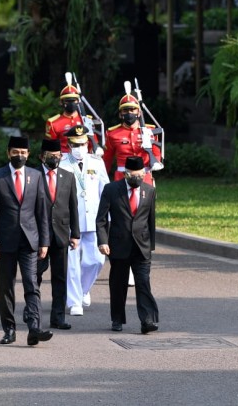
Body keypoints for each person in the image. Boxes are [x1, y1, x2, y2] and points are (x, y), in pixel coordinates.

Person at [0, 136, 53, 346]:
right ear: (8, 153)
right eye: (16, 152)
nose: (20, 156)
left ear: (29, 154)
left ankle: (34, 327)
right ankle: (9, 329)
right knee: (6, 287)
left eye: (23, 153)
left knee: (32, 284)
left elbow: (42, 210)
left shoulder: (36, 176)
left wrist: (44, 241)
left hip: (30, 241)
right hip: (4, 241)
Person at [96, 156, 159, 334]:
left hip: (141, 246)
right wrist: (102, 241)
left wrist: (150, 246)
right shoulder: (111, 189)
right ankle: (117, 319)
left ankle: (147, 320)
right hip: (118, 245)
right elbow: (101, 219)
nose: (137, 178)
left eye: (141, 175)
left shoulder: (149, 190)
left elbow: (150, 220)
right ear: (126, 174)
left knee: (143, 283)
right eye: (134, 175)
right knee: (118, 285)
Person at [60, 125, 109, 317]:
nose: (78, 148)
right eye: (74, 144)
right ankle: (74, 302)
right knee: (72, 263)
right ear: (68, 145)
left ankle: (83, 289)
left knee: (96, 260)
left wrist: (107, 218)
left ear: (87, 143)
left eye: (82, 144)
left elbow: (105, 191)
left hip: (93, 219)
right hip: (71, 221)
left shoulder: (96, 163)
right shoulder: (62, 163)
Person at [32, 138, 80, 330]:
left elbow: (73, 206)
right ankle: (32, 312)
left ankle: (58, 316)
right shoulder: (33, 175)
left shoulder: (68, 176)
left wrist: (75, 234)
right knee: (35, 275)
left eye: (58, 156)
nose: (55, 159)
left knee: (60, 277)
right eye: (51, 156)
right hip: (38, 236)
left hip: (61, 234)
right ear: (41, 157)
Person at [102, 92, 162, 186]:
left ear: (138, 112)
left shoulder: (150, 131)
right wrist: (102, 178)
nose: (129, 113)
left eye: (132, 109)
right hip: (122, 178)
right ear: (120, 114)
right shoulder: (112, 133)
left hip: (144, 176)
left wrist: (153, 162)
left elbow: (156, 154)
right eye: (125, 110)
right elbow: (107, 159)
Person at [45, 85, 87, 154]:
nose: (71, 103)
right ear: (61, 102)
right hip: (63, 159)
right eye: (67, 101)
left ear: (78, 102)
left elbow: (92, 143)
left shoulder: (85, 120)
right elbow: (50, 147)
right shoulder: (54, 123)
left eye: (74, 100)